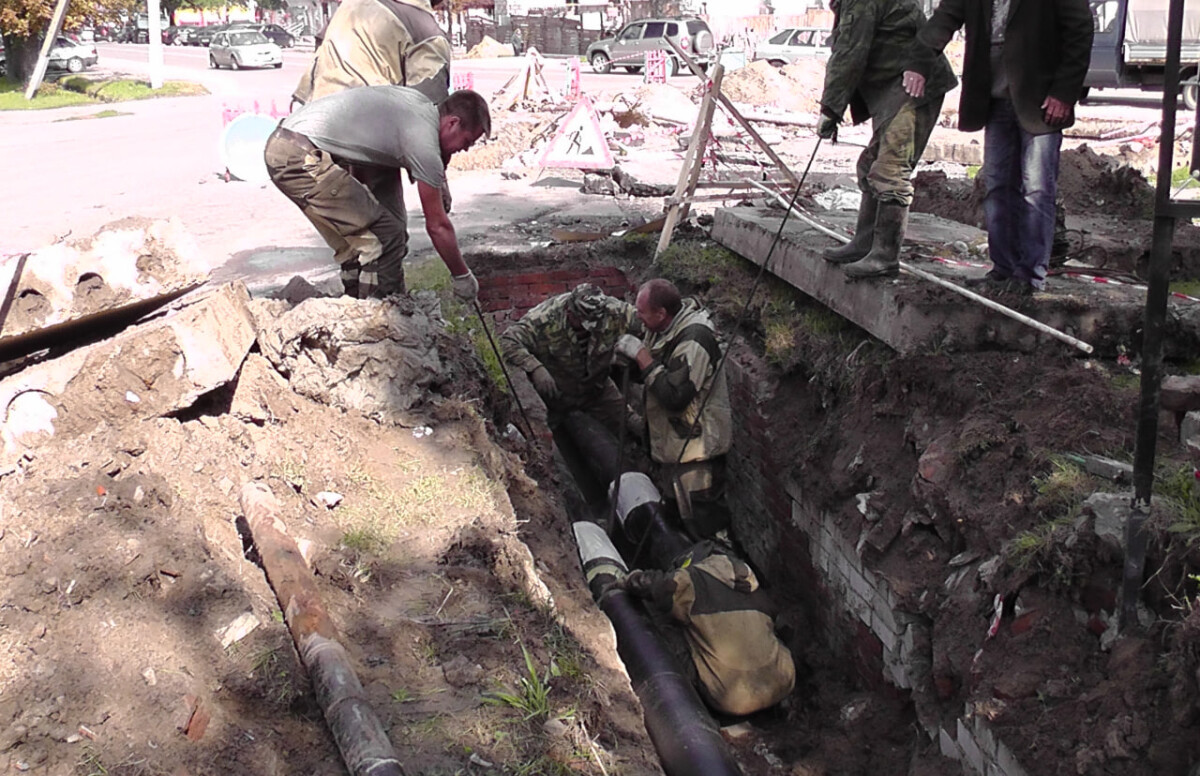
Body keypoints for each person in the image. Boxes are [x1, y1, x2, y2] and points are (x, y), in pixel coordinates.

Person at [904, 0, 1093, 294]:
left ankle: (1030, 277)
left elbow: (1080, 31)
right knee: (997, 186)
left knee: (1037, 190)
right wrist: (918, 63)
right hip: (994, 99)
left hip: (1040, 100)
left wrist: (1064, 93)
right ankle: (1003, 270)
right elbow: (944, 19)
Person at [264, 87, 488, 301]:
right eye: (467, 141)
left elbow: (375, 173)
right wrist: (462, 276)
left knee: (359, 242)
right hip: (299, 156)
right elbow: (437, 226)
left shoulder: (416, 107)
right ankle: (383, 324)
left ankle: (354, 305)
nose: (466, 149)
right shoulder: (423, 142)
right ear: (452, 123)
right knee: (385, 238)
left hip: (287, 143)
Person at [292, 0, 455, 244]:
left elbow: (319, 54)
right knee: (388, 234)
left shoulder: (351, 5)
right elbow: (428, 115)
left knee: (353, 234)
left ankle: (354, 278)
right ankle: (384, 282)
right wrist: (438, 178)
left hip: (313, 126)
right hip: (367, 129)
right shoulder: (423, 28)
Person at [816, 0, 957, 279]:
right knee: (870, 164)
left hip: (914, 84)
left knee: (890, 170)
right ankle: (865, 243)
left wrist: (831, 109)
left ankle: (885, 256)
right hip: (894, 85)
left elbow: (850, 53)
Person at [620, 541, 795, 716]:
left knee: (664, 621)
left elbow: (655, 586)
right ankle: (779, 705)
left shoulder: (694, 579)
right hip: (784, 683)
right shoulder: (754, 587)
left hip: (729, 699)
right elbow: (785, 630)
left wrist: (629, 579)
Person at [615, 279, 731, 539]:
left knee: (704, 528)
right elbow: (653, 374)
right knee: (678, 524)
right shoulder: (661, 329)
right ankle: (685, 574)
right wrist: (630, 361)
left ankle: (721, 576)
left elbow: (676, 396)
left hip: (695, 459)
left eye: (642, 312)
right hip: (672, 449)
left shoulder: (695, 340)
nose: (638, 317)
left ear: (661, 313)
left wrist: (643, 357)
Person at [500, 284, 644, 431]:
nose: (592, 327)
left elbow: (648, 321)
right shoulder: (544, 318)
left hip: (597, 387)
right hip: (558, 397)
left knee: (632, 424)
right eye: (585, 322)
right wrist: (535, 367)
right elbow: (507, 340)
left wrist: (640, 352)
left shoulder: (612, 310)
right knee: (553, 436)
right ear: (570, 312)